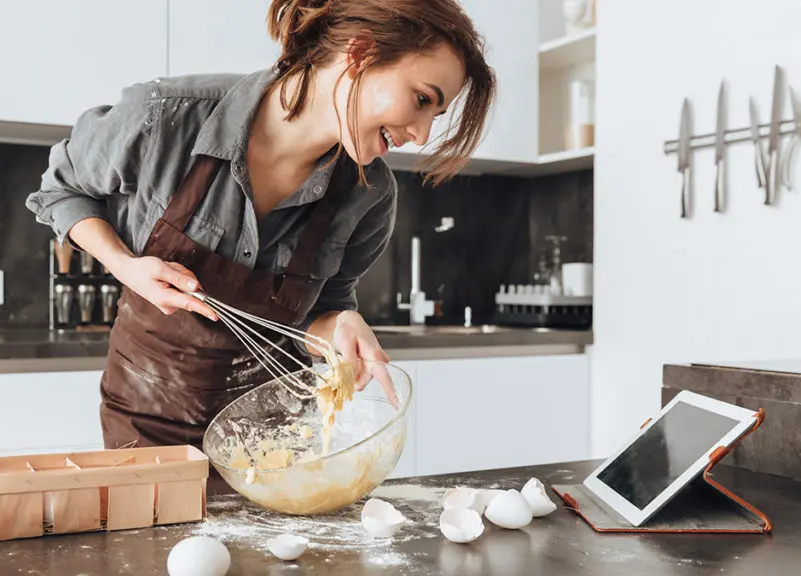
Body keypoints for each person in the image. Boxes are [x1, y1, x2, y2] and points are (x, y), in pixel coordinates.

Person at [25, 0, 495, 456]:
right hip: (146, 424)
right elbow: (60, 190)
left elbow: (320, 313)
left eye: (435, 115)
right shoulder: (166, 118)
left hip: (277, 441)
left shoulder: (368, 195)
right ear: (360, 53)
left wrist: (340, 324)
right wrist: (125, 266)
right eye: (421, 100)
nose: (422, 133)